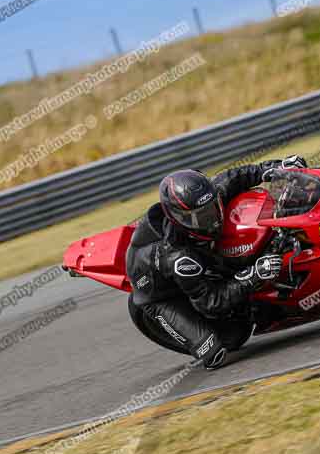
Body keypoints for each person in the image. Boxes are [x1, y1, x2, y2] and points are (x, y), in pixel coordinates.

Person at [125, 155, 307, 369]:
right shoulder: (179, 258)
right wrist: (252, 276)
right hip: (158, 296)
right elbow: (211, 302)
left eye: (212, 208)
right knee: (219, 348)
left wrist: (272, 168)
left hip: (189, 258)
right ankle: (201, 342)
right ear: (180, 220)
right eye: (201, 218)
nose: (212, 219)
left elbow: (234, 176)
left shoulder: (208, 195)